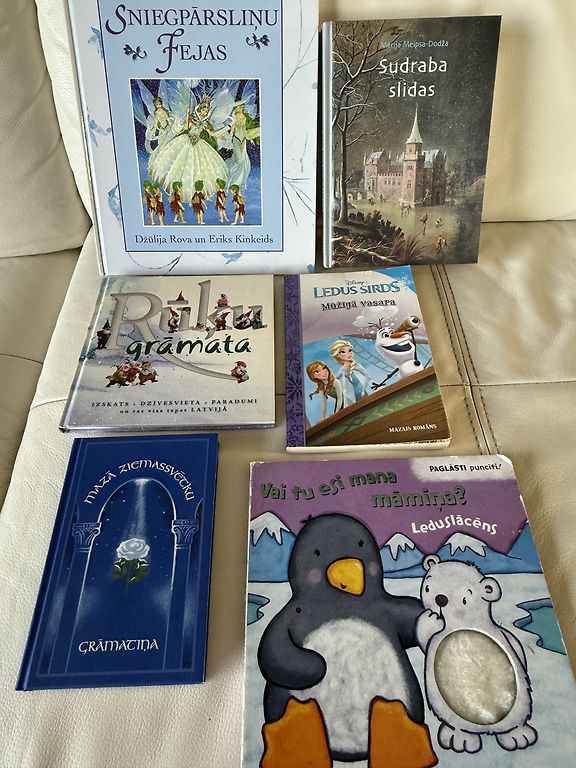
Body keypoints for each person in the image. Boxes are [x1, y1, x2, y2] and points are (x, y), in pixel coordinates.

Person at [148, 95, 228, 200]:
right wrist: (187, 117)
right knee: (180, 161)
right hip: (186, 140)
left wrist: (219, 135)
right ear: (199, 110)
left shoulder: (205, 123)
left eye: (206, 111)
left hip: (198, 143)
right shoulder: (192, 119)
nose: (204, 113)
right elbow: (186, 128)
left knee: (199, 165)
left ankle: (195, 189)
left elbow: (211, 133)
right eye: (202, 110)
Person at [227, 101, 260, 190]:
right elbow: (232, 130)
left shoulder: (245, 117)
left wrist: (250, 139)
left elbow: (245, 130)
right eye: (239, 106)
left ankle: (240, 182)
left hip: (243, 140)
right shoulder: (234, 118)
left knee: (244, 160)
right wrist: (229, 142)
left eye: (241, 106)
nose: (240, 107)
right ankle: (233, 181)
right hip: (236, 140)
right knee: (240, 161)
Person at [329, 340, 372, 408]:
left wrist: (363, 390)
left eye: (350, 351)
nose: (348, 354)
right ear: (337, 355)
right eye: (343, 352)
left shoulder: (356, 365)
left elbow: (368, 377)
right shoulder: (342, 370)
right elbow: (334, 381)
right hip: (355, 395)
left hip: (364, 391)